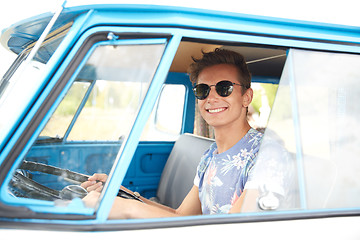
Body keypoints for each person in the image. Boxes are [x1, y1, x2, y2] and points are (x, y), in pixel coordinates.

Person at [82, 48, 263, 218]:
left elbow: (233, 231)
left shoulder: (265, 156)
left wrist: (128, 208)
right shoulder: (210, 157)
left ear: (246, 97)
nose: (212, 98)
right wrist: (121, 193)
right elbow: (181, 216)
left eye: (225, 88)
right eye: (203, 90)